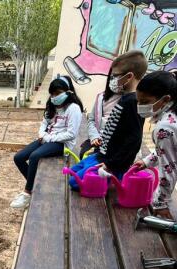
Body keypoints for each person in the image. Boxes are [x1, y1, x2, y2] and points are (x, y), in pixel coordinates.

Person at [67, 50, 148, 191]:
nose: (112, 79)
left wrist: (111, 165)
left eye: (115, 75)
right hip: (102, 155)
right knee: (73, 171)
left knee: (75, 182)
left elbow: (134, 140)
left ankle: (111, 182)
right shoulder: (125, 98)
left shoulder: (132, 102)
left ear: (129, 77)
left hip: (111, 163)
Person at [10, 76, 84, 209]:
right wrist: (42, 134)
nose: (54, 97)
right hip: (47, 138)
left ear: (68, 92)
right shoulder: (51, 105)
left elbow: (71, 134)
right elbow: (44, 124)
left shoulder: (73, 108)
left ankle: (27, 193)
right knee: (19, 157)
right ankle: (37, 186)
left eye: (58, 93)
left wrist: (48, 138)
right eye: (52, 93)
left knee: (34, 156)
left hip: (62, 143)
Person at [132, 71, 177, 220]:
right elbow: (168, 150)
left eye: (145, 102)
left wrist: (160, 203)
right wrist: (147, 161)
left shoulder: (165, 127)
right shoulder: (172, 116)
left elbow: (168, 167)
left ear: (165, 99)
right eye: (138, 101)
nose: (140, 106)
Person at [80, 68, 121, 159]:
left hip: (114, 148)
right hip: (98, 141)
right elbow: (91, 120)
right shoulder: (101, 97)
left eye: (120, 76)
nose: (115, 80)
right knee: (83, 156)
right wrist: (94, 136)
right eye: (113, 76)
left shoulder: (128, 101)